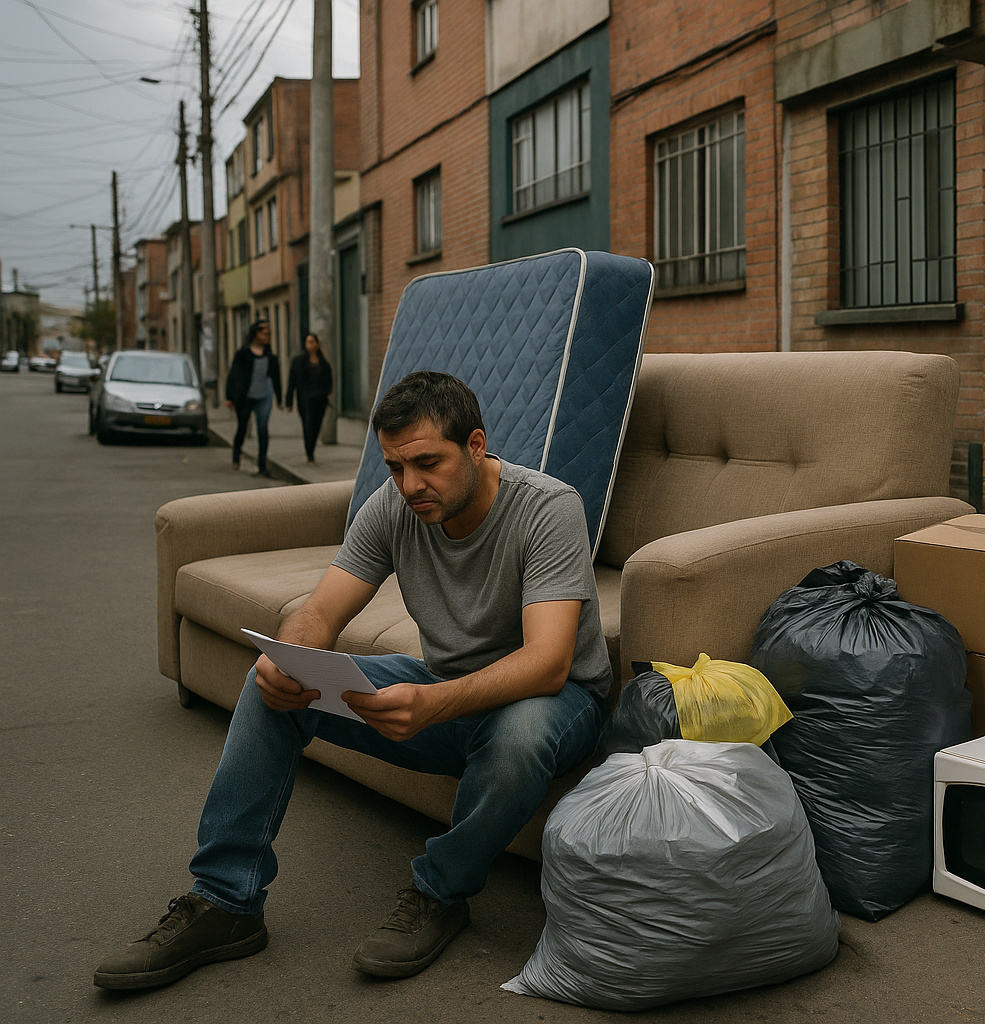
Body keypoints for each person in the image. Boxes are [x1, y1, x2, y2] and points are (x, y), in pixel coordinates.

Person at [94, 371, 610, 989]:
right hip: (443, 686)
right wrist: (287, 657)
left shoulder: (547, 508)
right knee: (271, 687)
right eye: (395, 467)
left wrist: (433, 703)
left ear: (475, 446)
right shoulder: (394, 505)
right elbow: (321, 610)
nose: (410, 485)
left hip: (557, 702)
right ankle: (226, 901)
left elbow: (548, 661)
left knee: (519, 737)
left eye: (428, 463)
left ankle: (441, 893)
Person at [225, 320, 282, 478]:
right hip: (245, 397)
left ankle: (262, 465)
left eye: (269, 334)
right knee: (242, 427)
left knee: (262, 429)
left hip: (264, 397)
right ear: (255, 334)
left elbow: (276, 378)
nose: (267, 336)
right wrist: (229, 397)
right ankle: (236, 457)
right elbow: (233, 375)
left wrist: (280, 399)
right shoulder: (243, 354)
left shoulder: (271, 356)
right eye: (264, 333)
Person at [285, 333, 333, 463]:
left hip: (320, 398)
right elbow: (292, 382)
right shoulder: (298, 361)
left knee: (317, 425)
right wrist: (289, 402)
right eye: (307, 342)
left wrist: (328, 392)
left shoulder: (322, 361)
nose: (310, 345)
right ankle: (309, 451)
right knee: (308, 425)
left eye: (312, 342)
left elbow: (328, 378)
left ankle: (312, 447)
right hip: (305, 398)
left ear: (317, 344)